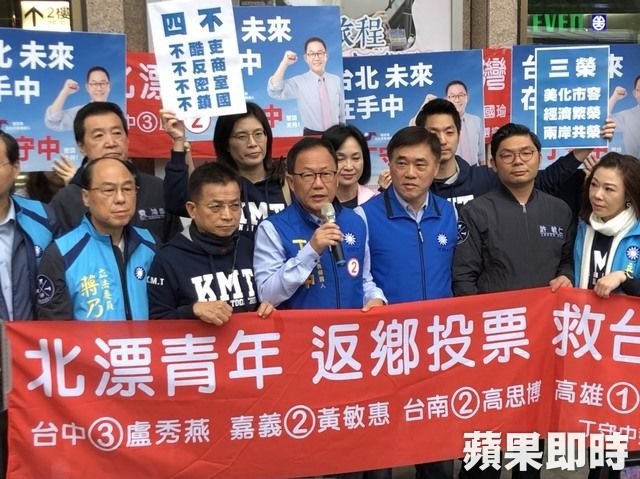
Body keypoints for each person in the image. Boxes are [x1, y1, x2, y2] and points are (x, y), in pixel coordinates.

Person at [453, 123, 575, 479]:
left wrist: (566, 275)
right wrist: (480, 335)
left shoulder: (559, 210)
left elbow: (566, 260)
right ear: (493, 163)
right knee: (484, 450)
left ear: (539, 158)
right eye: (507, 155)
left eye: (526, 153)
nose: (517, 161)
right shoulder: (476, 211)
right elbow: (463, 278)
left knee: (530, 443)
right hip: (493, 345)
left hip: (541, 346)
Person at [357, 126, 457, 479]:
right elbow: (360, 277)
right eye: (401, 163)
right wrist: (374, 298)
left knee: (437, 457)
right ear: (388, 163)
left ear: (436, 166)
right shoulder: (364, 217)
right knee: (378, 457)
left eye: (420, 164)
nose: (410, 173)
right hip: (385, 350)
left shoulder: (448, 213)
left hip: (437, 348)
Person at [253, 137, 385, 310]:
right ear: (291, 182)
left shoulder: (356, 221)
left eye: (326, 174)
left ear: (336, 178)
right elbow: (267, 294)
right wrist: (311, 250)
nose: (318, 184)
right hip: (303, 327)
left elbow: (364, 279)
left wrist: (375, 298)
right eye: (308, 175)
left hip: (348, 327)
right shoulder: (273, 229)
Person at [414, 98, 615, 212]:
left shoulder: (483, 179)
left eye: (449, 132)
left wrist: (587, 146)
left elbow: (543, 181)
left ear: (459, 134)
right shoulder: (413, 187)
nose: (442, 140)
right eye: (433, 132)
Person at [148, 162, 274, 322]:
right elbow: (156, 323)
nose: (228, 216)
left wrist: (268, 307)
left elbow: (270, 297)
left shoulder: (252, 247)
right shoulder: (169, 258)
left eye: (235, 205)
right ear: (192, 209)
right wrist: (192, 311)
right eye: (216, 207)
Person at [36, 157, 156, 320]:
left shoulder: (150, 243)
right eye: (108, 190)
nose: (121, 199)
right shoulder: (62, 253)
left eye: (128, 189)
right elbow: (54, 326)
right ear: (86, 197)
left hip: (143, 338)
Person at [49, 101, 181, 243]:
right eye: (99, 135)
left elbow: (175, 247)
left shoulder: (157, 188)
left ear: (127, 139)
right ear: (81, 146)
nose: (111, 143)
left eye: (117, 133)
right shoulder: (66, 200)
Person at [162, 102, 288, 235]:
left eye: (258, 134)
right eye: (241, 136)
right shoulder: (215, 184)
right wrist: (179, 142)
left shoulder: (287, 182)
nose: (252, 143)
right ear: (226, 144)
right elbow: (176, 204)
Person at [573, 152, 640, 298]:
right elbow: (566, 265)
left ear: (628, 195)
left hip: (624, 313)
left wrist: (625, 278)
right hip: (580, 310)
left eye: (608, 189)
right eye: (594, 185)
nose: (597, 195)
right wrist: (564, 275)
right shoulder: (580, 226)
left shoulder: (637, 233)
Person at [267, 37, 344, 135]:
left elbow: (341, 111)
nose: (316, 58)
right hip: (311, 135)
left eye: (320, 53)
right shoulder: (299, 82)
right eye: (311, 54)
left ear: (326, 55)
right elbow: (274, 90)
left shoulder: (335, 80)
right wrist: (284, 63)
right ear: (306, 58)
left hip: (336, 133)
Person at [322, 124, 376, 207]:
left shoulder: (376, 201)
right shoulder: (313, 205)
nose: (349, 167)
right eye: (340, 159)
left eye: (355, 158)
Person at [45, 66, 111, 132]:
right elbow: (53, 121)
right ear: (87, 87)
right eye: (94, 83)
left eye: (103, 83)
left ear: (109, 85)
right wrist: (64, 92)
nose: (99, 88)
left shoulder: (117, 112)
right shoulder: (81, 113)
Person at [608, 75, 640, 158]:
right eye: (639, 90)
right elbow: (602, 121)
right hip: (634, 164)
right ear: (634, 93)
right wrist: (614, 99)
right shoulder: (627, 116)